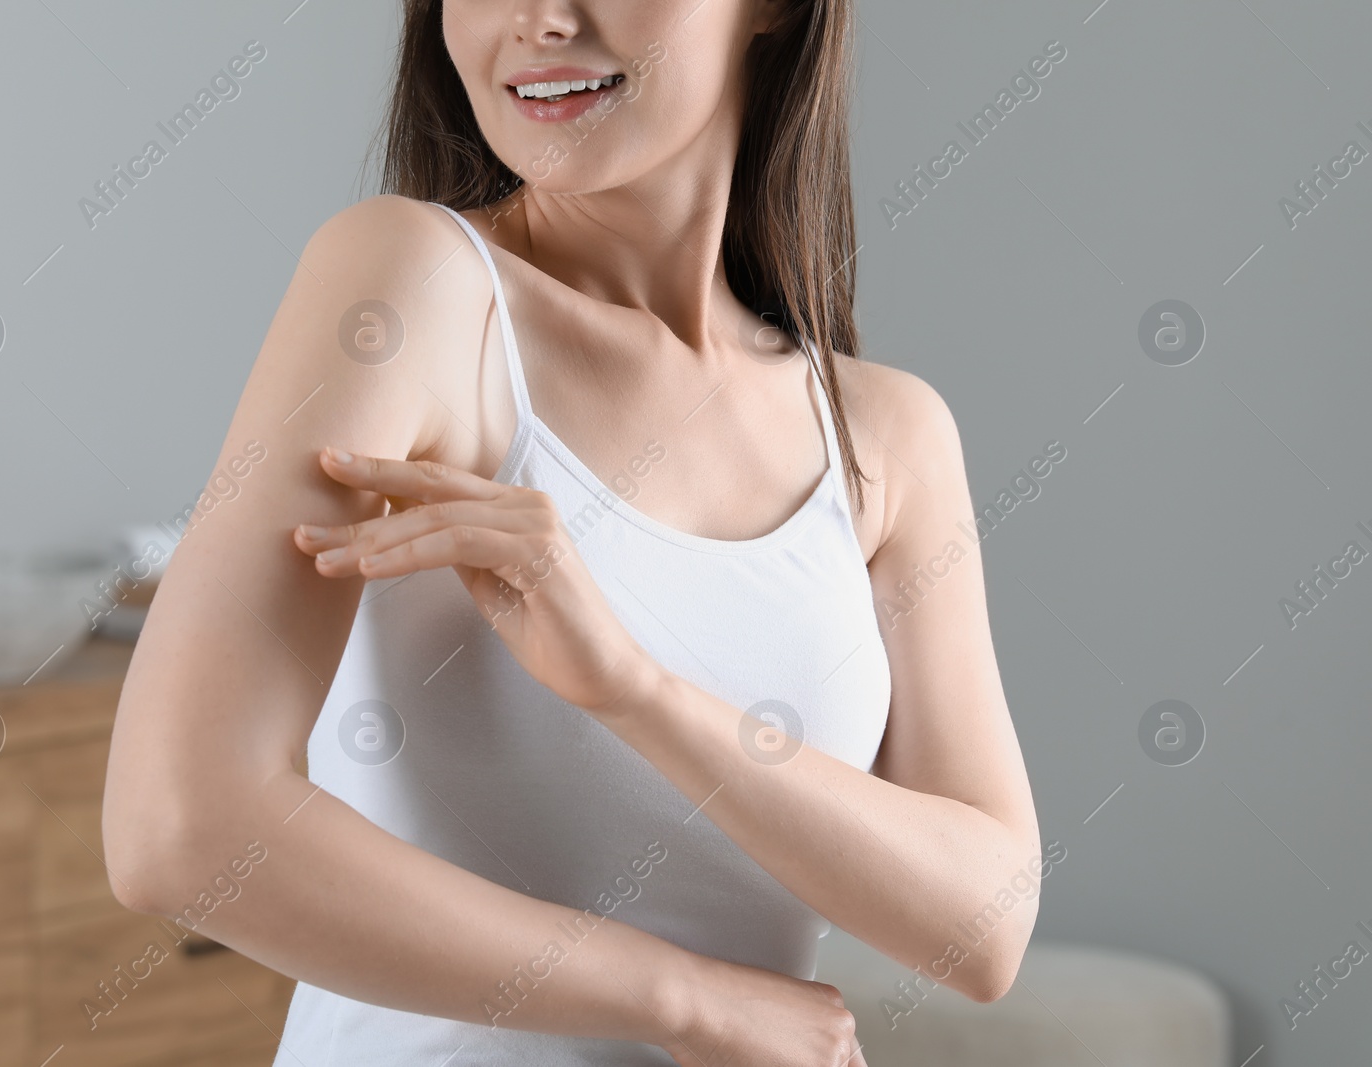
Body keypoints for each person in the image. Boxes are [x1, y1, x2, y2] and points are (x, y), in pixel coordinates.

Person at [101, 1, 1041, 1063]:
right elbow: (180, 830)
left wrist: (630, 687)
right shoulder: (416, 285)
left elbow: (984, 925)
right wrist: (688, 1000)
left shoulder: (883, 433)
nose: (542, 17)